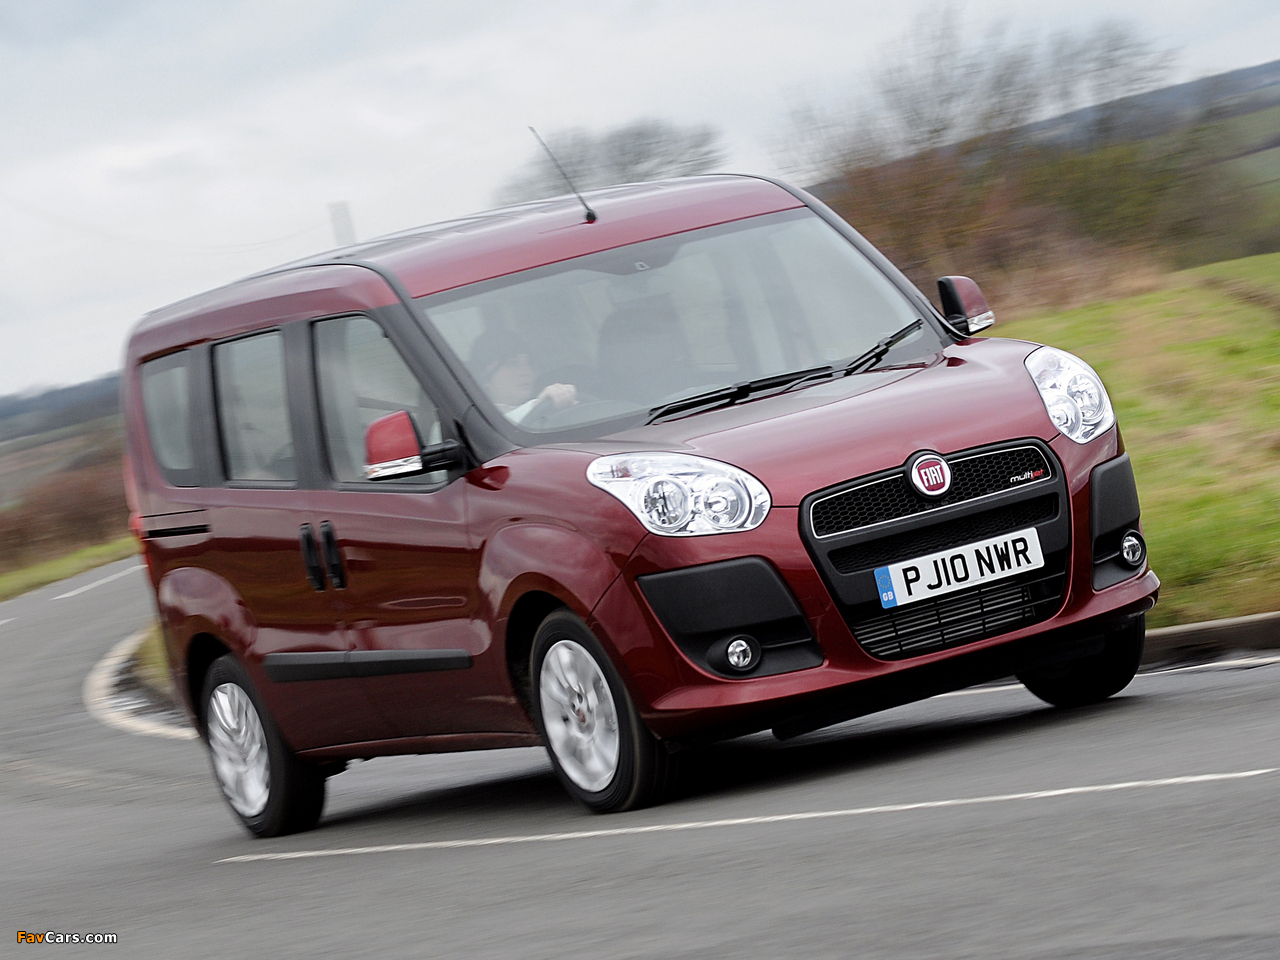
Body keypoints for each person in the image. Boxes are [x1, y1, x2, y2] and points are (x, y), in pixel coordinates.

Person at [469, 328, 577, 424]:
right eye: (512, 364)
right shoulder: (478, 423)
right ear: (485, 377)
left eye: (529, 363)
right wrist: (537, 405)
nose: (526, 371)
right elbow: (500, 428)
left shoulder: (552, 410)